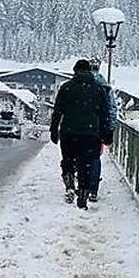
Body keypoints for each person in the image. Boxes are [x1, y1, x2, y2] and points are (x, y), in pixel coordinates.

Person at [50, 58, 112, 206]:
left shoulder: (66, 87)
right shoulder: (99, 89)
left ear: (75, 71)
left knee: (68, 161)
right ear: (90, 71)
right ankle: (83, 194)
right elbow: (105, 114)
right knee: (86, 164)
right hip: (91, 134)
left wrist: (54, 129)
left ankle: (70, 186)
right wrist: (107, 133)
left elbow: (57, 111)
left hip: (69, 133)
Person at [87, 58, 119, 201]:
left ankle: (81, 185)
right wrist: (110, 128)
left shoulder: (81, 84)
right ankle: (93, 189)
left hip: (81, 126)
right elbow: (112, 109)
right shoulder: (105, 87)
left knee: (79, 156)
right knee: (95, 158)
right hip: (98, 128)